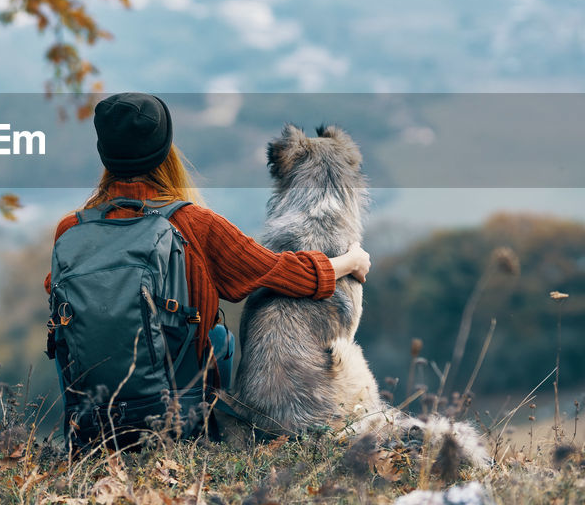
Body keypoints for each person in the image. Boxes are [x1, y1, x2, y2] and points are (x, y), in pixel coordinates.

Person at [43, 92, 371, 445]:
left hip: (92, 419)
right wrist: (349, 261)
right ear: (165, 150)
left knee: (73, 332)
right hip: (173, 418)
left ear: (104, 152)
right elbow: (280, 272)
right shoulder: (196, 223)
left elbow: (58, 291)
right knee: (219, 338)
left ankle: (83, 432)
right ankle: (203, 428)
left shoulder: (70, 229)